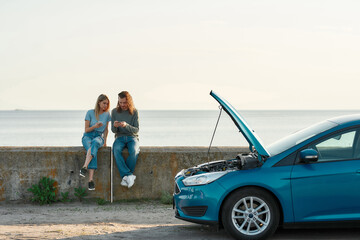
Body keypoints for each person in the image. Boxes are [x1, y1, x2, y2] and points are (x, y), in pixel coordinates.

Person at [80, 94, 111, 191]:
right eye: (104, 103)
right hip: (88, 136)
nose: (105, 105)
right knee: (92, 148)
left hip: (98, 137)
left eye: (107, 104)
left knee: (95, 143)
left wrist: (105, 142)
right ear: (99, 102)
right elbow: (86, 130)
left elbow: (106, 129)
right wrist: (95, 126)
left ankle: (84, 166)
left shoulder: (107, 114)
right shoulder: (90, 112)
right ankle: (90, 180)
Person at [111, 91, 140, 188]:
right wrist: (115, 126)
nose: (122, 105)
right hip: (120, 137)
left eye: (124, 102)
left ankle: (125, 177)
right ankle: (129, 175)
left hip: (132, 137)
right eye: (120, 102)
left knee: (134, 151)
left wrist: (126, 125)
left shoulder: (134, 112)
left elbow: (136, 130)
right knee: (116, 150)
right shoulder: (114, 112)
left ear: (129, 102)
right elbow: (113, 130)